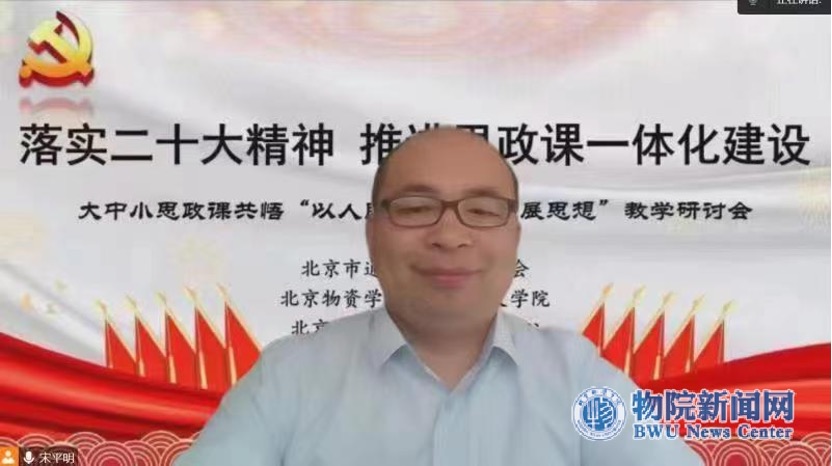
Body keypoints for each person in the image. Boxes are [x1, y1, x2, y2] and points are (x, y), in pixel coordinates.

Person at [175, 127, 703, 465]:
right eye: (415, 208)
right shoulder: (290, 376)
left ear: (515, 237)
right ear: (371, 234)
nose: (450, 236)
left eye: (483, 210)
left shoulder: (576, 376)